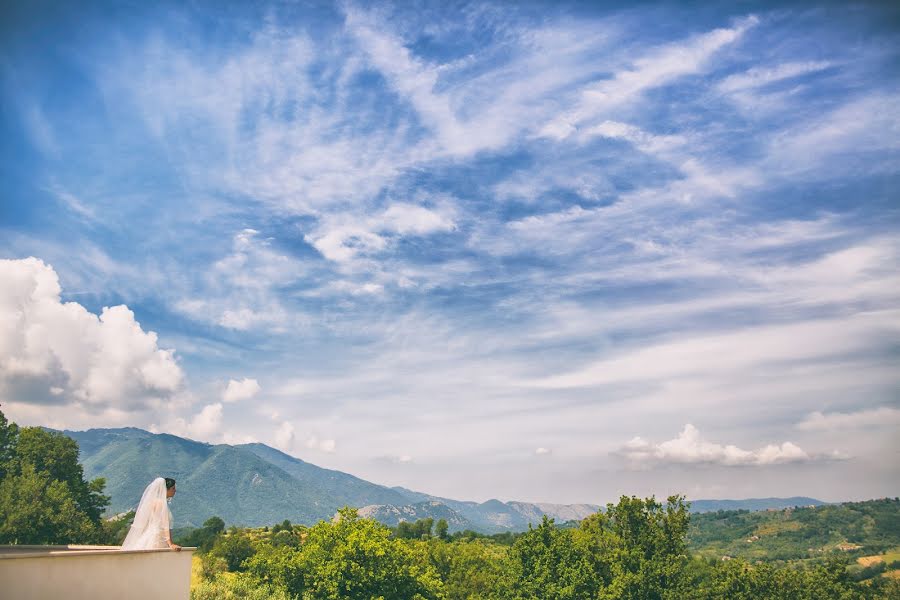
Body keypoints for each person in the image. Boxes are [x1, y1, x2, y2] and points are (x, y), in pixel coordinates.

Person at [120, 477, 182, 551]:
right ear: (166, 489)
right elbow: (165, 524)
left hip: (150, 535)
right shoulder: (161, 504)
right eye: (173, 488)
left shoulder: (154, 502)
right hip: (157, 538)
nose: (175, 491)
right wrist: (170, 544)